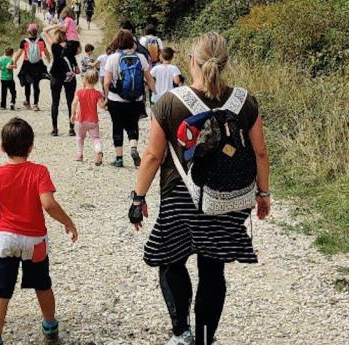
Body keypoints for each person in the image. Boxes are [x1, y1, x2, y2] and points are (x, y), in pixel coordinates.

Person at [129, 32, 271, 345]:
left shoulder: (169, 103)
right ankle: (206, 339)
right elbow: (260, 152)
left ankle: (182, 333)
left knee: (171, 261)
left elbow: (153, 156)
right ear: (225, 63)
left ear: (191, 61)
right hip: (227, 197)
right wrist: (263, 194)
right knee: (213, 269)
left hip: (181, 197)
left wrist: (137, 198)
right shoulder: (245, 101)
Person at [0, 118, 78, 345]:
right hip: (35, 240)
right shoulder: (39, 172)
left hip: (5, 239)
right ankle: (50, 324)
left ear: (2, 147)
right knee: (42, 284)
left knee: (0, 293)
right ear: (31, 147)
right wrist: (68, 222)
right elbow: (48, 203)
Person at [103, 29, 155, 168]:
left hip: (116, 99)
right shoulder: (141, 57)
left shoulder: (112, 58)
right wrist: (155, 93)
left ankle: (119, 158)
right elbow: (149, 79)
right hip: (136, 99)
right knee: (133, 125)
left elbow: (107, 82)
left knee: (117, 126)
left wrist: (105, 96)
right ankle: (133, 148)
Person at [43, 26, 79, 137]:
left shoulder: (54, 46)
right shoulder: (71, 46)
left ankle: (55, 129)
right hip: (69, 76)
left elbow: (44, 31)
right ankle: (71, 128)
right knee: (70, 102)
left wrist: (56, 25)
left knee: (55, 102)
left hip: (56, 75)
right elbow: (74, 61)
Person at [70, 68, 105, 165]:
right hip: (93, 121)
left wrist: (73, 114)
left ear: (84, 79)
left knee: (80, 137)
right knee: (96, 138)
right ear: (96, 81)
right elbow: (102, 106)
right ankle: (98, 152)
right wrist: (106, 102)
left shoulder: (80, 92)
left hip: (81, 120)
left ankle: (80, 155)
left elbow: (74, 103)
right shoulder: (98, 94)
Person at [15, 23, 50, 112]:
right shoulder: (41, 41)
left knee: (27, 83)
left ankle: (27, 101)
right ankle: (35, 104)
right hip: (38, 65)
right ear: (36, 31)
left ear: (29, 31)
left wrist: (14, 62)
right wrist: (49, 59)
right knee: (36, 85)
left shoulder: (24, 41)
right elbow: (46, 52)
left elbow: (19, 54)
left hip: (27, 65)